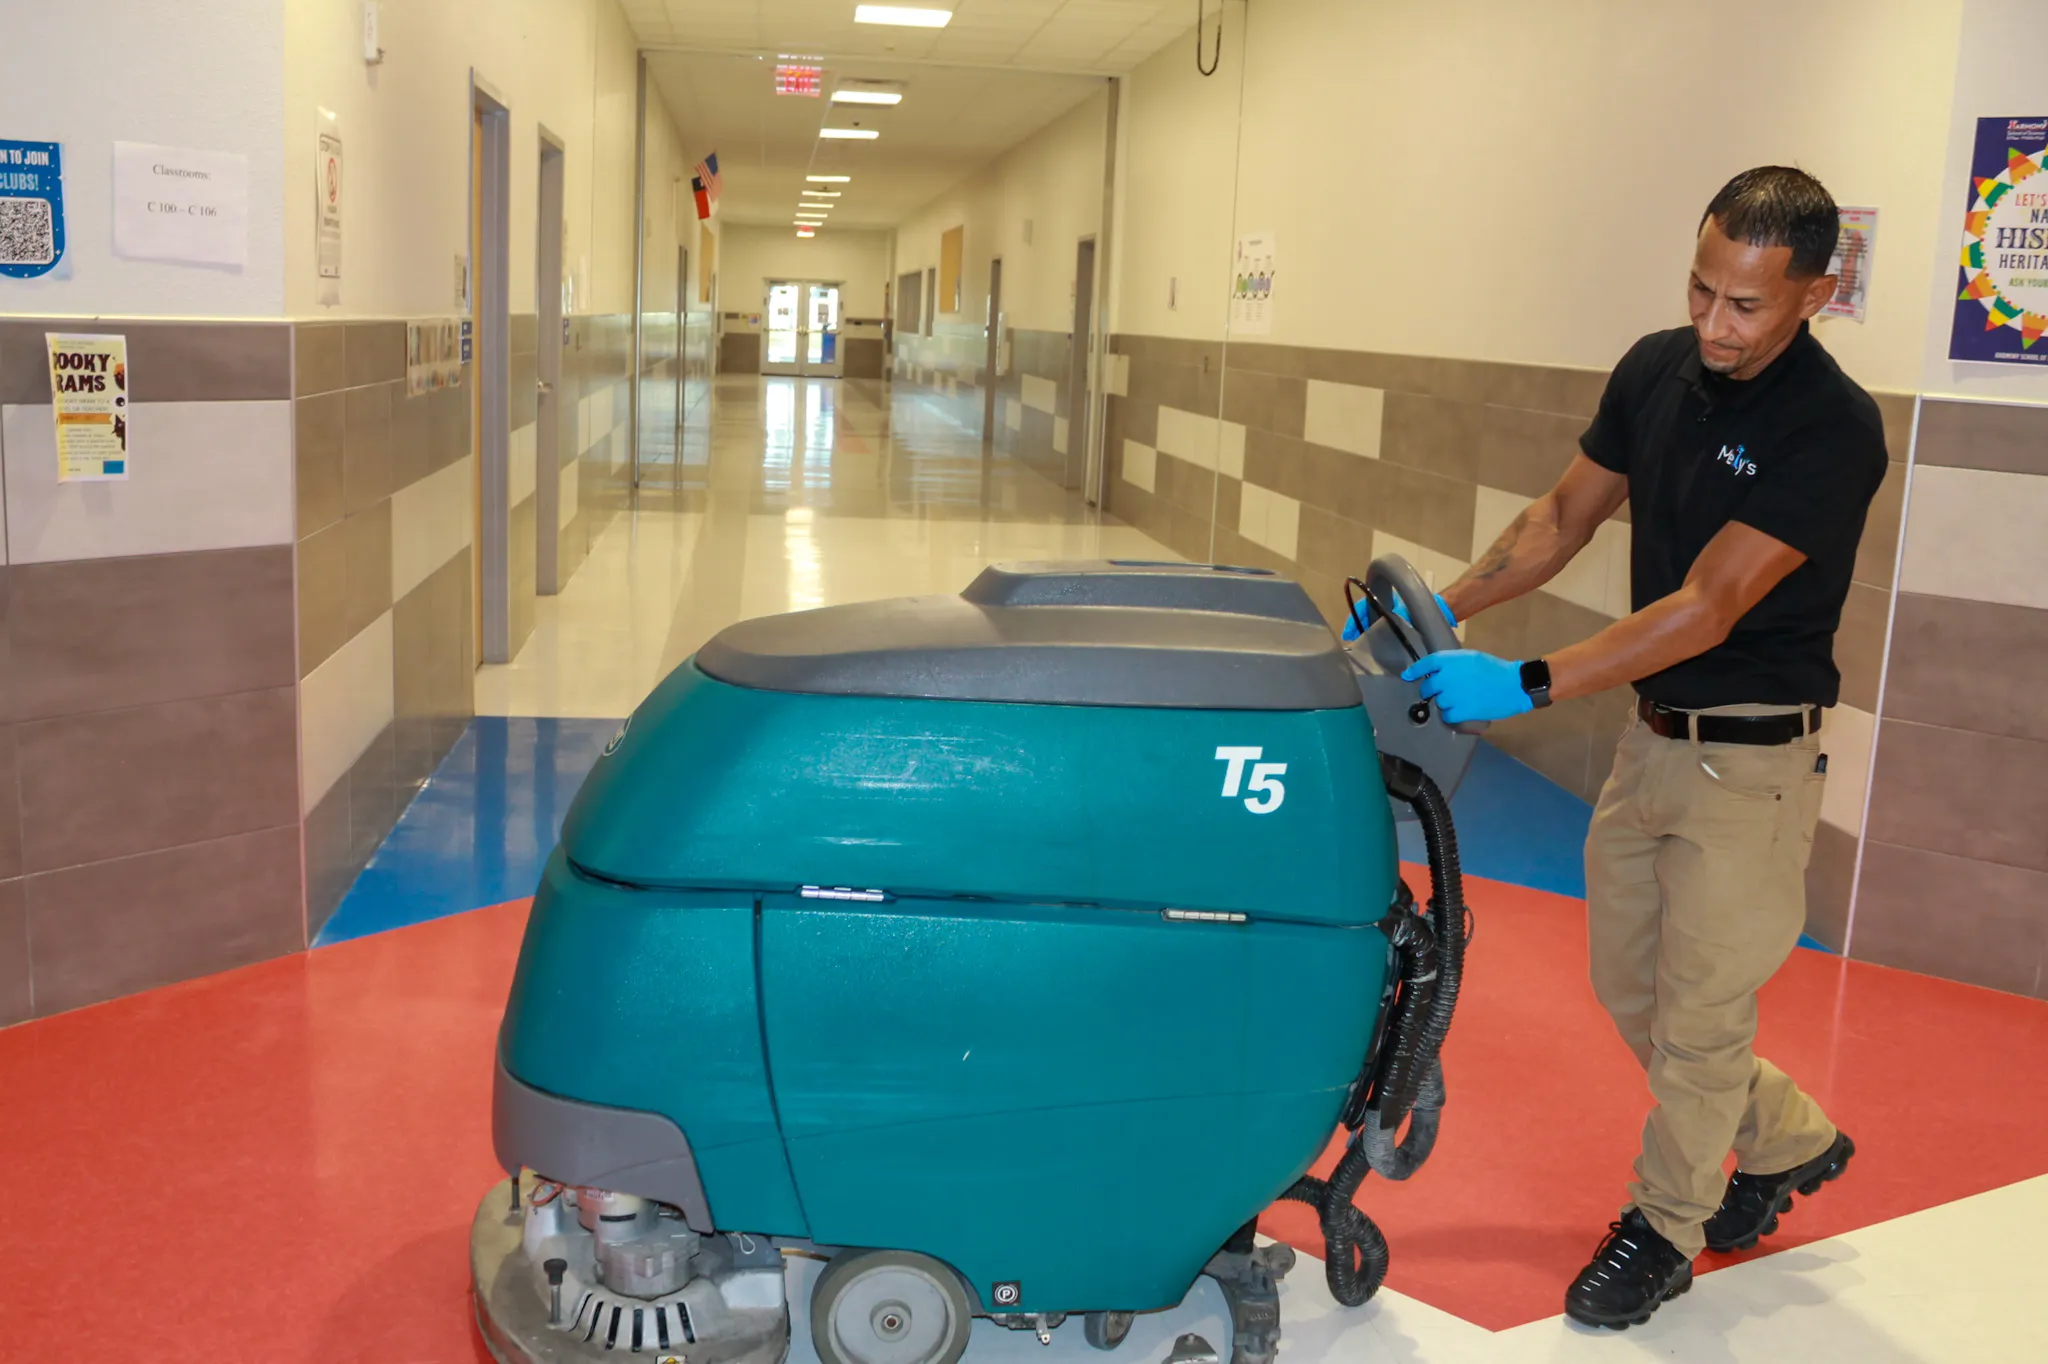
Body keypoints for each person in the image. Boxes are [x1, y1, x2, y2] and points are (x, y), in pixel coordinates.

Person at [1381, 167, 1883, 1328]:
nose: (1713, 322)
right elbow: (1561, 515)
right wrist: (1444, 608)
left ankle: (1662, 1227)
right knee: (1630, 992)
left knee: (1699, 1017)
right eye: (1700, 289)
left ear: (1813, 293)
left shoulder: (1829, 425)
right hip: (1649, 741)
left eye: (1744, 304)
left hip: (1748, 763)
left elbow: (1707, 604)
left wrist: (1526, 680)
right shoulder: (1655, 367)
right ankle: (1785, 1136)